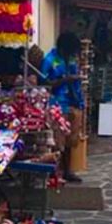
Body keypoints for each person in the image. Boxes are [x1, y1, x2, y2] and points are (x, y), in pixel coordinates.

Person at [41, 32, 84, 183]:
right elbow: (44, 84)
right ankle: (55, 173)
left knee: (71, 140)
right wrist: (65, 80)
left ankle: (67, 171)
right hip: (58, 105)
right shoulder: (49, 60)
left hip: (74, 103)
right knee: (58, 141)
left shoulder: (72, 59)